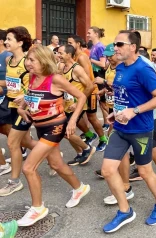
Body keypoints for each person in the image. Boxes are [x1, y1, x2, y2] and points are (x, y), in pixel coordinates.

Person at [101, 30, 156, 233]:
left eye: (120, 44)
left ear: (133, 47)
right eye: (115, 44)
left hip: (140, 129)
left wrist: (135, 111)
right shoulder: (121, 68)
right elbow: (125, 97)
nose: (115, 48)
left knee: (144, 171)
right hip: (120, 128)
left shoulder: (143, 69)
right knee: (107, 170)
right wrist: (116, 113)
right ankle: (125, 210)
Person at [17, 46, 90, 226]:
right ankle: (79, 188)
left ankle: (37, 208)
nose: (28, 63)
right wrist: (22, 108)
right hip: (40, 127)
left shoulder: (56, 79)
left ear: (44, 61)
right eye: (27, 59)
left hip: (55, 127)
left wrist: (72, 121)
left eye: (32, 60)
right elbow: (32, 96)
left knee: (28, 168)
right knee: (56, 164)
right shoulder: (32, 77)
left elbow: (81, 96)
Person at [0, 26, 35, 197]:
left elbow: (37, 85)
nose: (6, 42)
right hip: (11, 105)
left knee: (12, 143)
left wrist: (26, 96)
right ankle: (53, 154)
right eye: (5, 39)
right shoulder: (9, 61)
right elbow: (11, 82)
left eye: (9, 39)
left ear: (20, 42)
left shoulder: (28, 62)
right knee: (26, 142)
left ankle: (14, 181)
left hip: (25, 108)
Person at [57, 45, 96, 165]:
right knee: (68, 132)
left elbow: (90, 85)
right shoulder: (62, 67)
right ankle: (80, 153)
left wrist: (80, 101)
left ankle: (87, 148)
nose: (58, 55)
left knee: (63, 131)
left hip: (77, 106)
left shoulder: (77, 69)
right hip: (66, 105)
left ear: (69, 55)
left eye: (61, 53)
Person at [0, 29, 12, 176]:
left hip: (7, 100)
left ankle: (49, 153)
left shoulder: (8, 57)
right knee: (9, 132)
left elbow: (15, 80)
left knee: (13, 134)